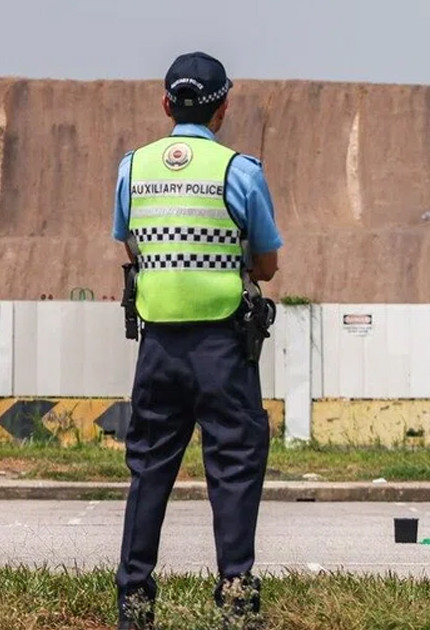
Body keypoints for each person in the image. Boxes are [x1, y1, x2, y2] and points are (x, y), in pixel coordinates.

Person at [111, 51, 283, 629]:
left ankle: (134, 599)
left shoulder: (133, 168)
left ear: (166, 104)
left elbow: (130, 245)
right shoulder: (240, 171)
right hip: (225, 349)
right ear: (223, 107)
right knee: (233, 466)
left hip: (157, 346)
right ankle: (235, 593)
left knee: (150, 469)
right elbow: (267, 264)